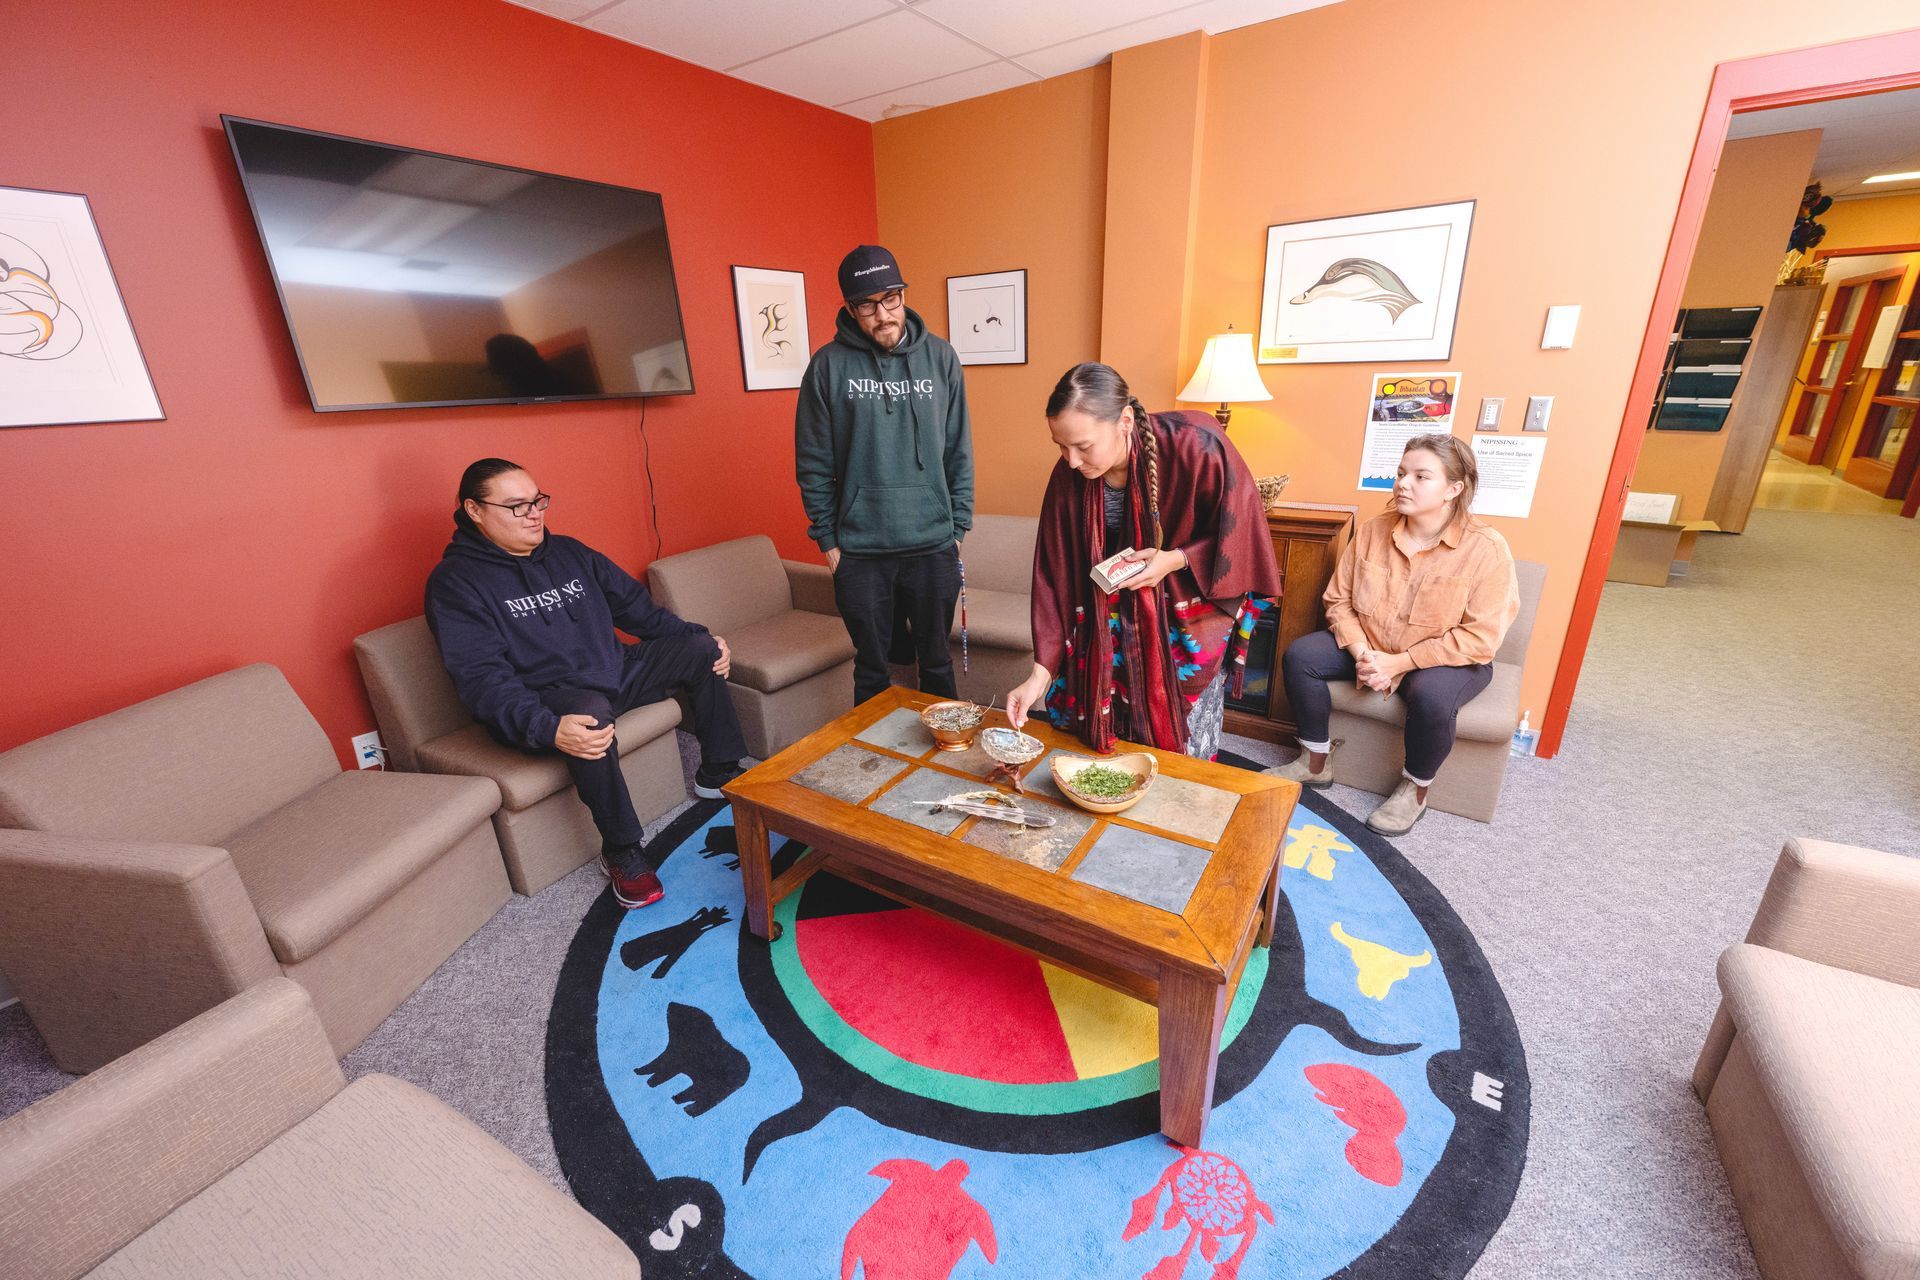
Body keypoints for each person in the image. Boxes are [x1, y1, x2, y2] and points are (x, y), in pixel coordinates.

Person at [425, 458, 749, 909]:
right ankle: (621, 849)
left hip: (614, 669)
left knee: (699, 648)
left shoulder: (571, 553)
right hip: (549, 697)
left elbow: (640, 612)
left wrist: (703, 637)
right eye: (516, 506)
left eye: (538, 501)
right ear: (474, 510)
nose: (534, 514)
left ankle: (717, 770)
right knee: (591, 715)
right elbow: (481, 679)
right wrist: (545, 727)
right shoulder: (456, 583)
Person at [1006, 363, 1281, 759]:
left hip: (1186, 609)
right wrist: (1039, 675)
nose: (1070, 460)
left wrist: (1173, 560)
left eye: (1083, 446)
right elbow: (1055, 575)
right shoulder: (1069, 474)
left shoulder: (1196, 443)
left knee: (1184, 749)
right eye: (1060, 446)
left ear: (1124, 421)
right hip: (1107, 619)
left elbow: (1240, 536)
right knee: (1103, 740)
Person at [1268, 433, 1519, 835]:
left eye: (1421, 476)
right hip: (1372, 643)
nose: (1403, 483)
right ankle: (1315, 761)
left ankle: (1416, 791)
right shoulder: (1372, 530)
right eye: (1402, 473)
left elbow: (1480, 638)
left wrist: (1398, 663)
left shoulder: (1487, 549)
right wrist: (1364, 654)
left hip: (1447, 657)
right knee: (1301, 656)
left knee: (1433, 698)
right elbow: (1338, 600)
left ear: (1453, 489)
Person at [795, 244, 974, 705]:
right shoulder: (827, 367)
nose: (883, 315)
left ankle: (946, 767)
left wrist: (957, 527)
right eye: (867, 305)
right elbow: (813, 461)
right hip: (860, 551)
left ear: (902, 295)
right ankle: (872, 766)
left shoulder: (941, 358)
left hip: (933, 544)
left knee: (936, 664)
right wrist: (829, 542)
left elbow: (958, 447)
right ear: (851, 309)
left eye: (890, 299)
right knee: (872, 670)